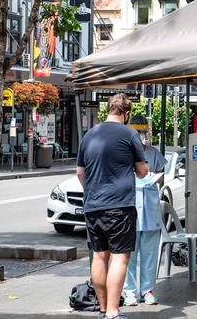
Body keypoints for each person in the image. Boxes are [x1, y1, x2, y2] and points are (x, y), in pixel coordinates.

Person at [76, 93, 148, 319]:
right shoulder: (130, 134)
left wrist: (93, 191)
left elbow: (80, 172)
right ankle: (114, 313)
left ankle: (104, 309)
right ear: (126, 113)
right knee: (119, 257)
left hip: (93, 206)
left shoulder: (89, 135)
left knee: (99, 256)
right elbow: (143, 171)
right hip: (120, 206)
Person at [123, 116, 167, 306]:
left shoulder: (153, 153)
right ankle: (129, 292)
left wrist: (155, 179)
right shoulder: (123, 153)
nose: (140, 136)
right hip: (130, 209)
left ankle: (147, 290)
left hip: (150, 210)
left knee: (149, 254)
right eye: (137, 132)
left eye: (142, 132)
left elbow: (161, 177)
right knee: (129, 255)